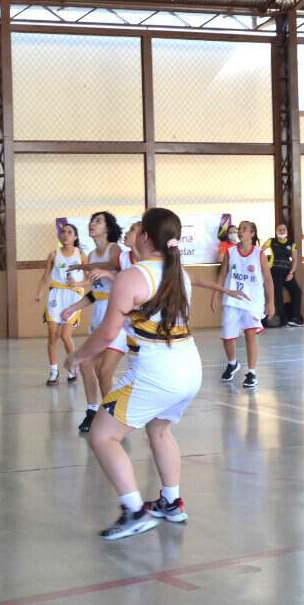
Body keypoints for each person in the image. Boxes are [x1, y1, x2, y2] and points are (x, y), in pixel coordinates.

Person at [66, 207, 202, 541]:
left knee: (102, 435)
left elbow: (107, 332)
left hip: (156, 374)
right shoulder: (177, 274)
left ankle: (134, 510)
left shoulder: (135, 276)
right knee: (159, 430)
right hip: (189, 369)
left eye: (137, 228)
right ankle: (171, 502)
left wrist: (77, 356)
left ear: (144, 237)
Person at [63, 211, 124, 434]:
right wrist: (72, 307)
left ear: (107, 227)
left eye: (98, 221)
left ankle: (111, 415)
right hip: (99, 316)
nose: (92, 224)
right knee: (89, 365)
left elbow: (125, 282)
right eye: (91, 221)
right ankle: (92, 410)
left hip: (116, 317)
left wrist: (107, 275)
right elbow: (95, 293)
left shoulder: (114, 250)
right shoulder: (90, 255)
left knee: (103, 370)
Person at [212, 220, 274, 389]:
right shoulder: (230, 252)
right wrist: (215, 295)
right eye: (240, 228)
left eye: (245, 229)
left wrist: (271, 302)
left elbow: (268, 279)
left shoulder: (259, 254)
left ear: (252, 233)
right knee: (227, 337)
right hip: (232, 299)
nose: (240, 231)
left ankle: (252, 373)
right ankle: (232, 363)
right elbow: (222, 275)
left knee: (250, 334)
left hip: (252, 301)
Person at [34, 223, 86, 386]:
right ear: (59, 236)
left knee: (65, 335)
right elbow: (45, 277)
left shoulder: (81, 255)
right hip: (56, 295)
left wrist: (77, 283)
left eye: (70, 232)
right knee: (52, 334)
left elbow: (92, 278)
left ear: (75, 237)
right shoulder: (53, 254)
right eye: (63, 232)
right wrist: (39, 294)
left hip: (72, 297)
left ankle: (72, 367)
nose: (65, 235)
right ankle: (54, 371)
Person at [262, 223, 303, 327]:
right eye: (279, 230)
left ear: (287, 231)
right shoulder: (271, 241)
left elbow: (295, 260)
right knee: (278, 295)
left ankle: (295, 318)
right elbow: (259, 251)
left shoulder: (291, 244)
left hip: (287, 272)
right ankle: (283, 320)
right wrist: (264, 265)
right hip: (274, 271)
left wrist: (291, 273)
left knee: (297, 292)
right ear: (276, 232)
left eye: (284, 229)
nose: (282, 231)